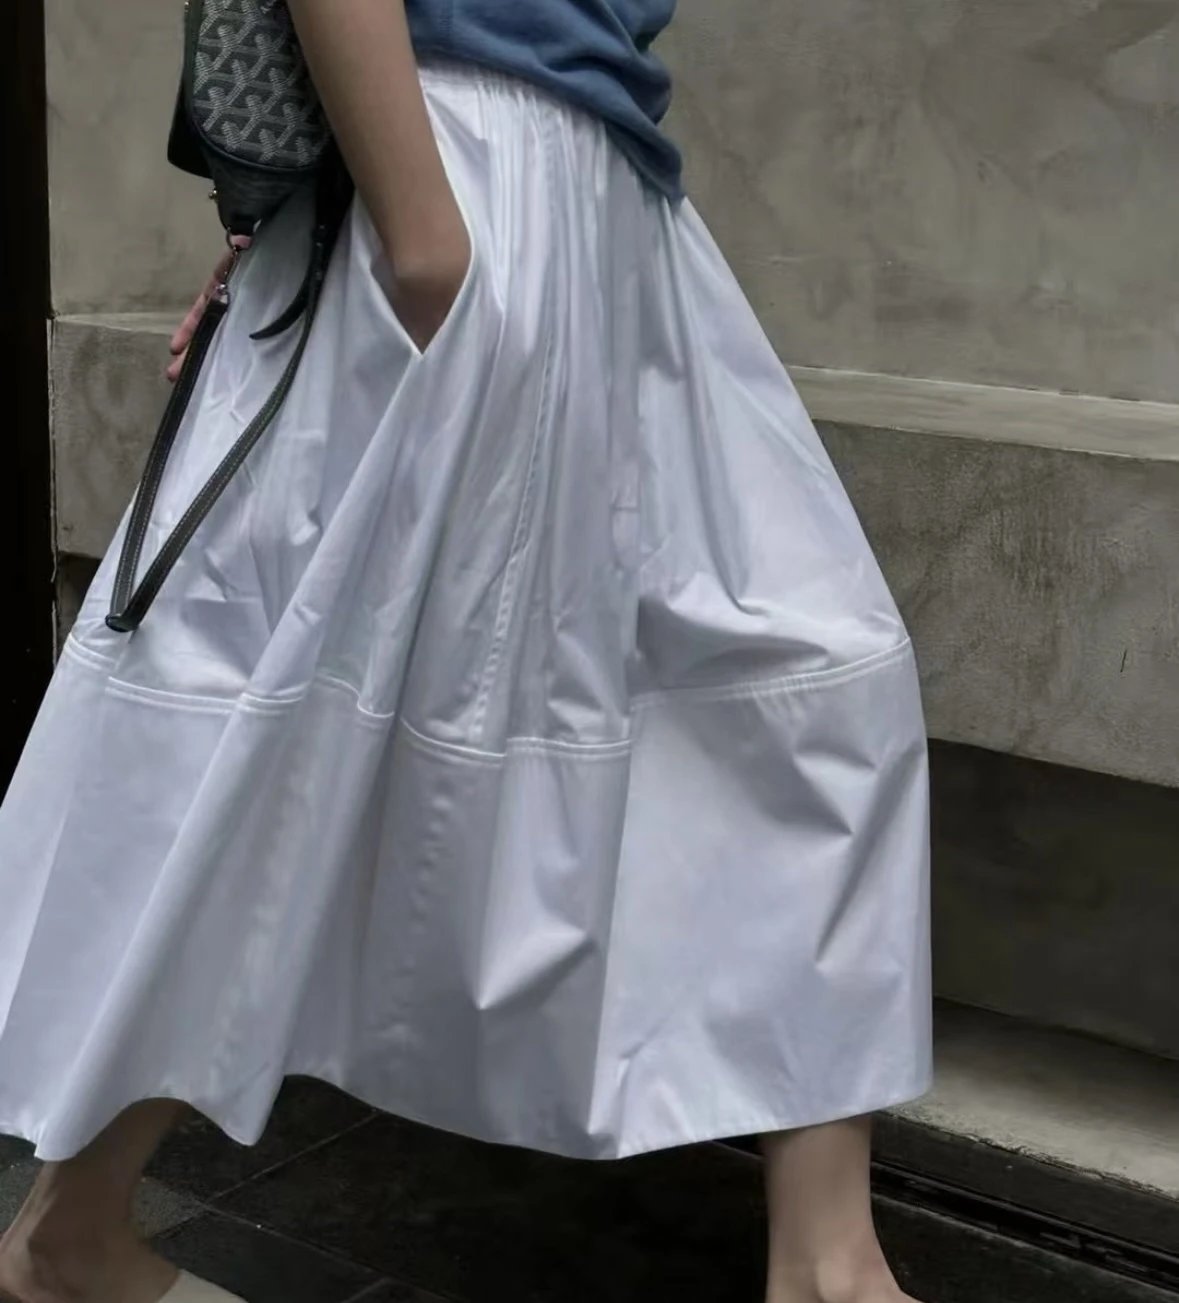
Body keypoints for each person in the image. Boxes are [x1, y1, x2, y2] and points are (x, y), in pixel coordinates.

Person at [0, 2, 931, 1301]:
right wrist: (429, 246)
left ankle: (831, 1268)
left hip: (606, 206)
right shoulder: (447, 235)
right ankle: (68, 1235)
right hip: (466, 196)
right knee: (275, 710)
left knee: (812, 670)